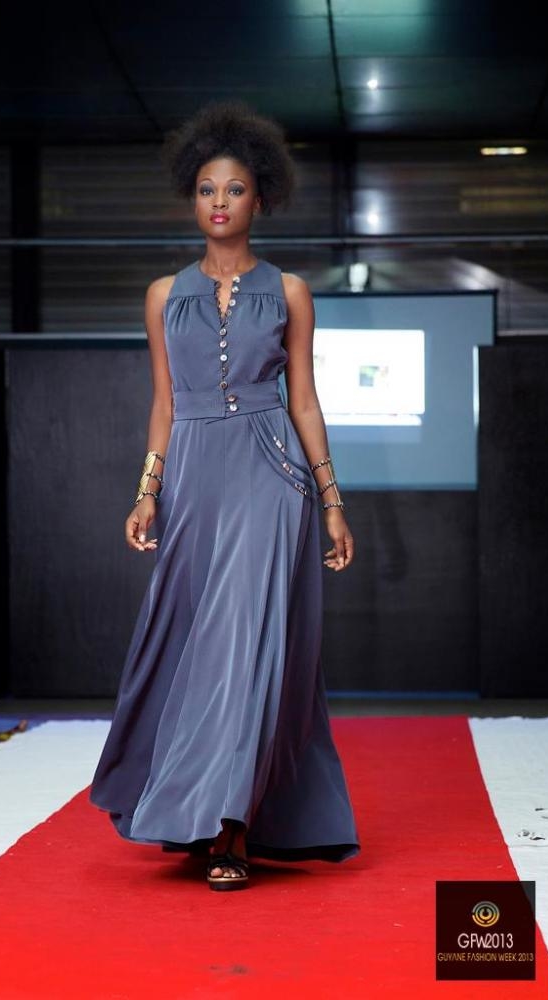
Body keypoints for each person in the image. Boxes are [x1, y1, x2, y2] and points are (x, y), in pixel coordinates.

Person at [91, 103, 360, 891]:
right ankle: (192, 802)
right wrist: (147, 491)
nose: (219, 201)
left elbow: (304, 400)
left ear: (260, 198)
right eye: (207, 188)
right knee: (192, 645)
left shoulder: (291, 292)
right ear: (193, 197)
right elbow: (165, 403)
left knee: (249, 645)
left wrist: (332, 500)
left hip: (272, 476)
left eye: (235, 189)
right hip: (194, 477)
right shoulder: (162, 295)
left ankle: (230, 828)